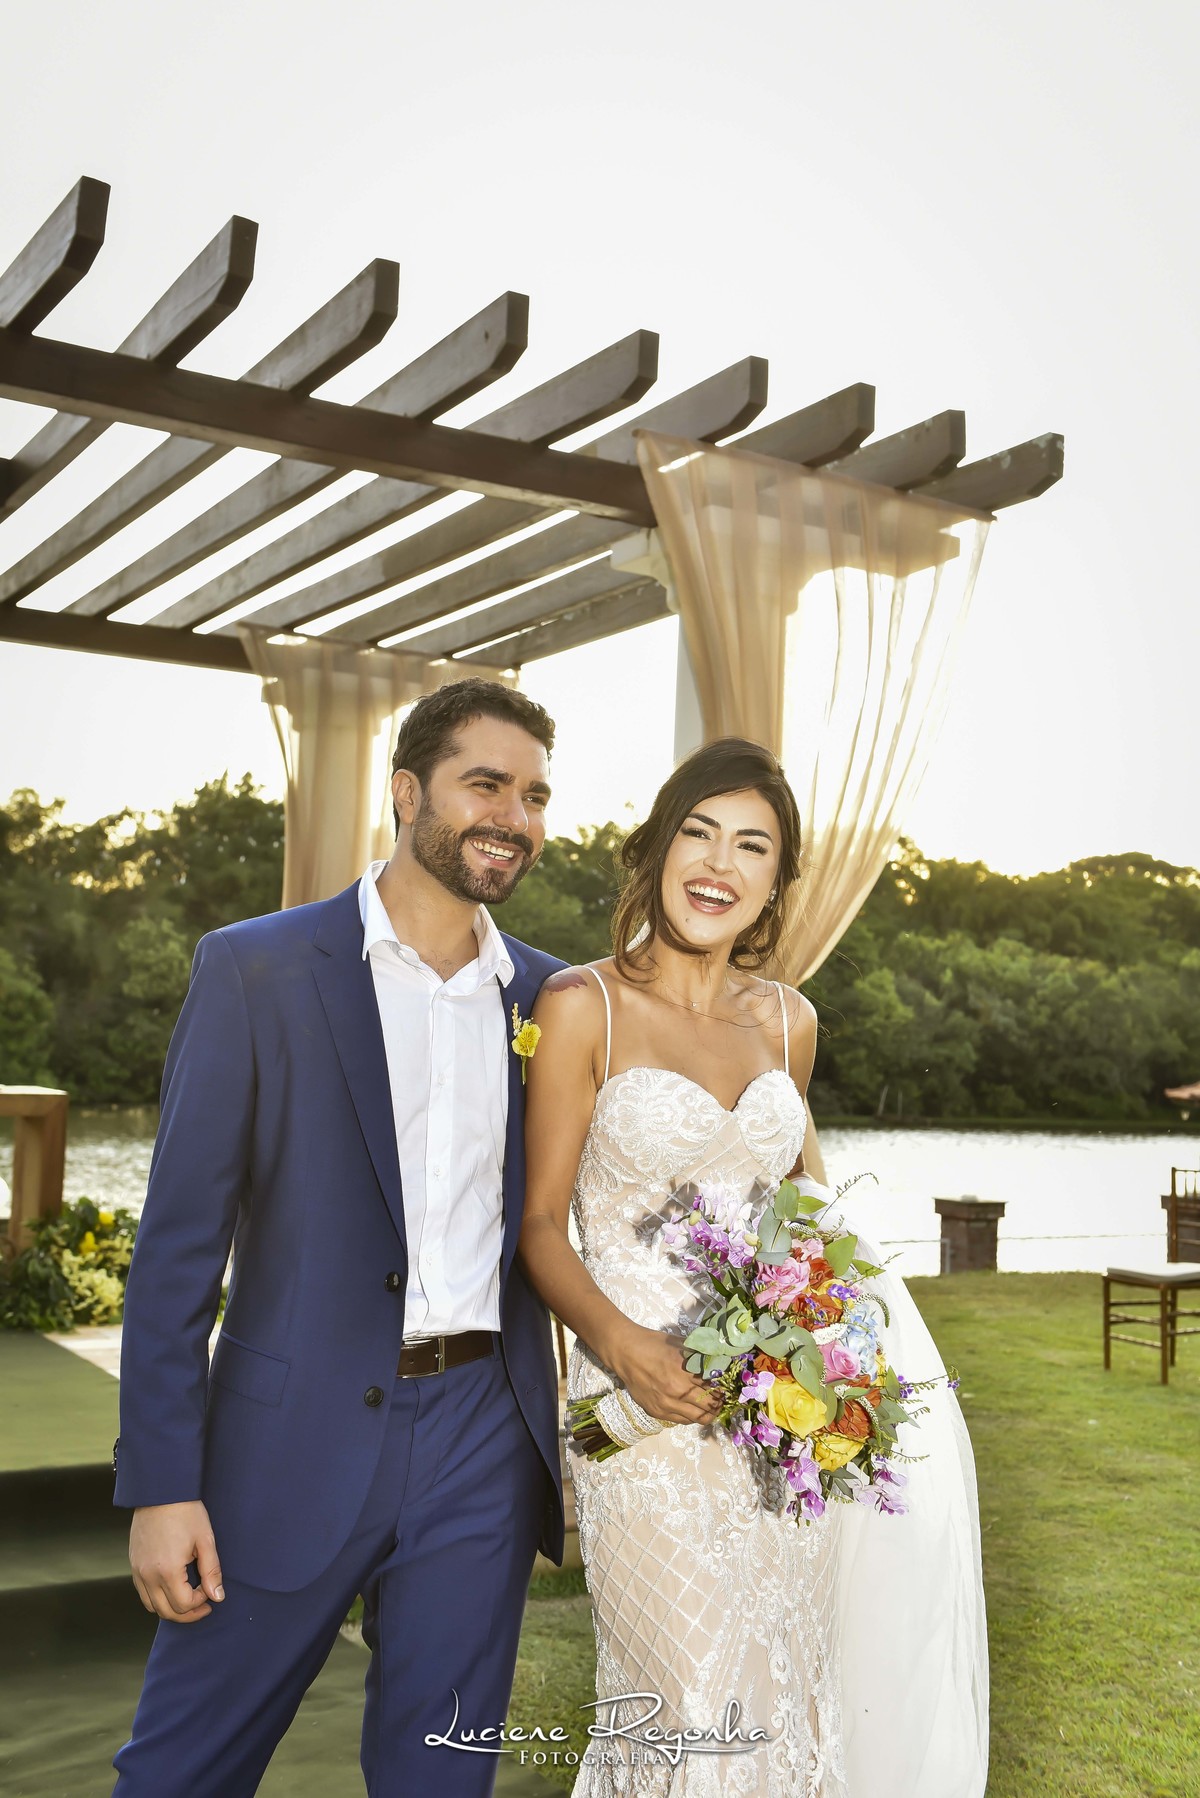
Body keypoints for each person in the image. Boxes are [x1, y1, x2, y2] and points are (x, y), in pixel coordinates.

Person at [111, 679, 565, 1798]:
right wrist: (162, 1483)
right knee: (180, 1771)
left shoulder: (556, 1001)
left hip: (483, 1446)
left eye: (537, 794)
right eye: (485, 783)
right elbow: (176, 1253)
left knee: (438, 1782)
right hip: (284, 1438)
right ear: (408, 791)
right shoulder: (255, 968)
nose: (514, 815)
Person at [519, 737, 988, 1797]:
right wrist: (623, 1345)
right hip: (639, 1411)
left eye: (751, 846)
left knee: (785, 1693)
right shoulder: (580, 1005)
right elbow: (541, 1224)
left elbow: (806, 1215)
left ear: (775, 883)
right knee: (689, 1704)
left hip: (773, 1424)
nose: (717, 863)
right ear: (655, 845)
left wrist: (827, 1354)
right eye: (698, 831)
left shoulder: (790, 1020)